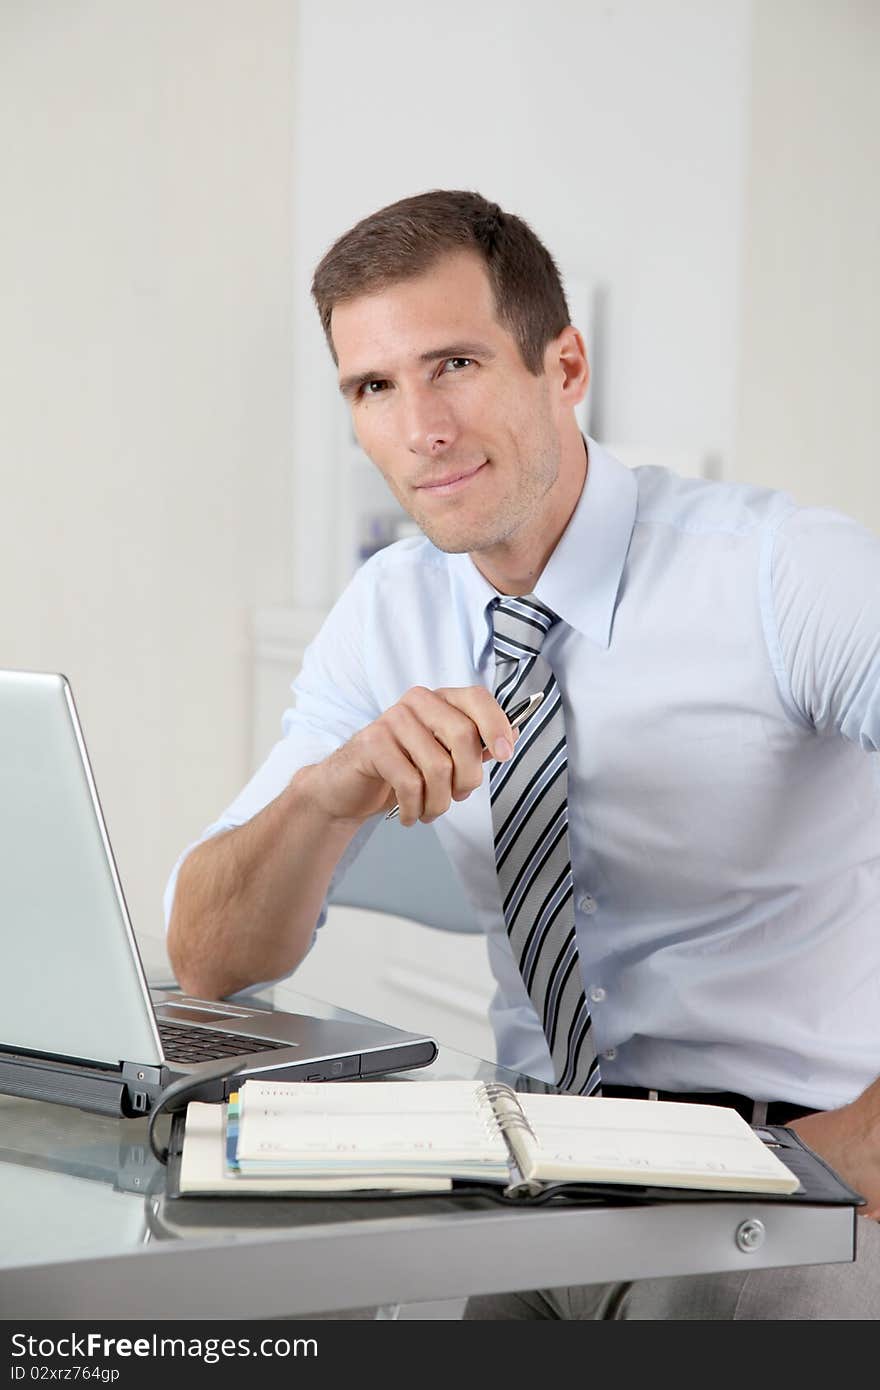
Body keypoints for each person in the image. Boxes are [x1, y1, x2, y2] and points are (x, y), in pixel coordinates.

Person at [165, 189, 880, 1318]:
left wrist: (862, 1144)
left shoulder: (782, 573)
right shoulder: (387, 610)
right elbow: (207, 958)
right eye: (374, 387)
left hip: (784, 1177)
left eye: (453, 364)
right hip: (532, 1175)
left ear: (564, 364)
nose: (420, 429)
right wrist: (327, 795)